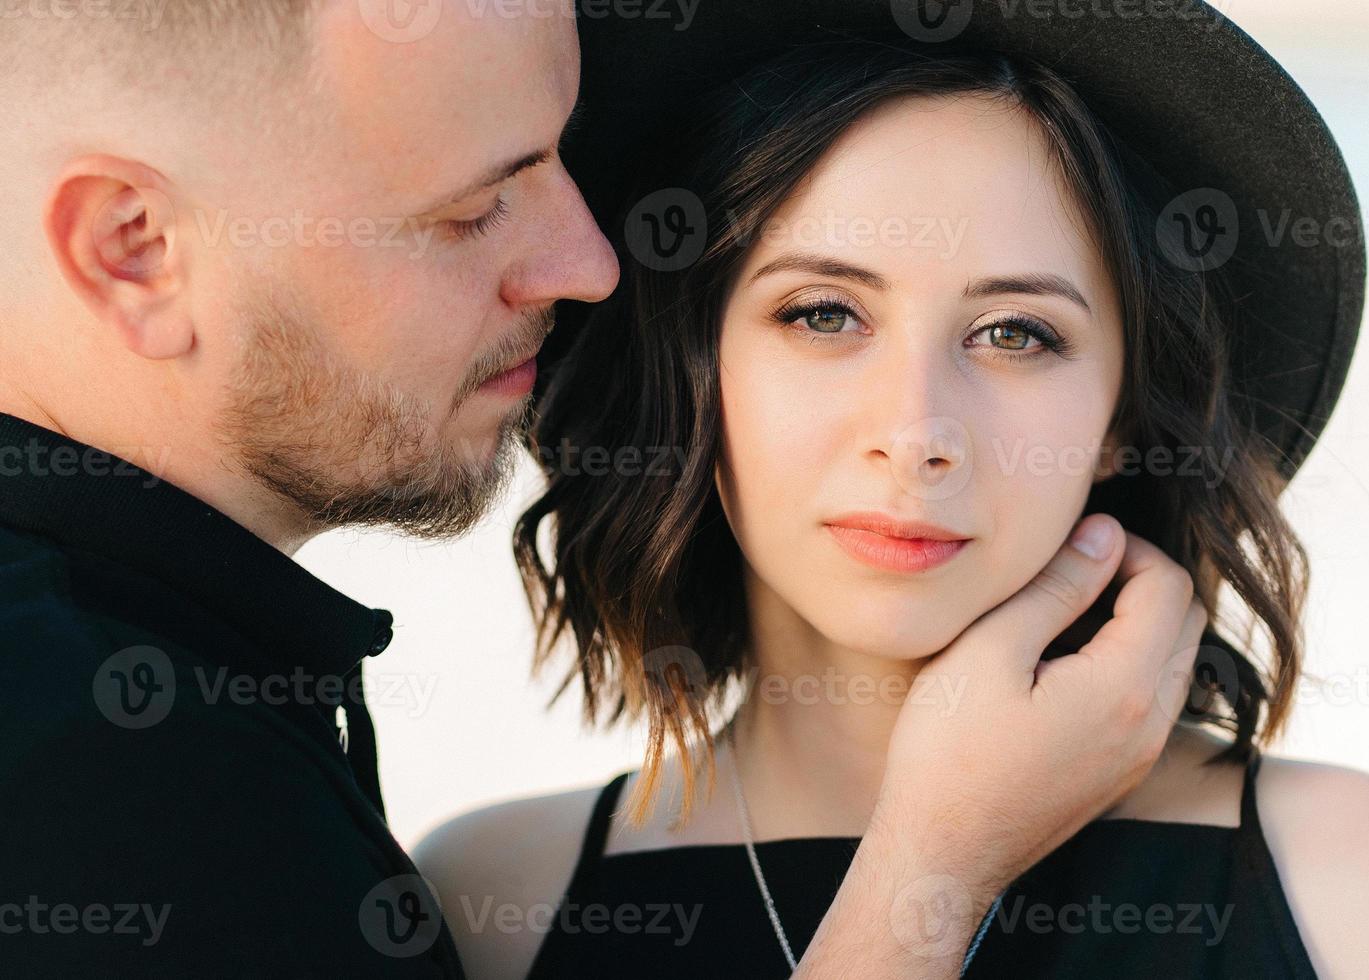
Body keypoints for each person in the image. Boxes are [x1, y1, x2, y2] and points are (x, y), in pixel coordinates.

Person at [0, 2, 1198, 977]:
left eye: (1015, 332)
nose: (590, 267)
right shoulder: (113, 788)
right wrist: (927, 878)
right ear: (136, 248)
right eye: (473, 209)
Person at [412, 12, 1369, 980]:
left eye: (1016, 333)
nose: (916, 433)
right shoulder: (497, 901)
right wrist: (931, 870)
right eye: (823, 314)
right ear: (692, 367)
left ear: (1123, 421)